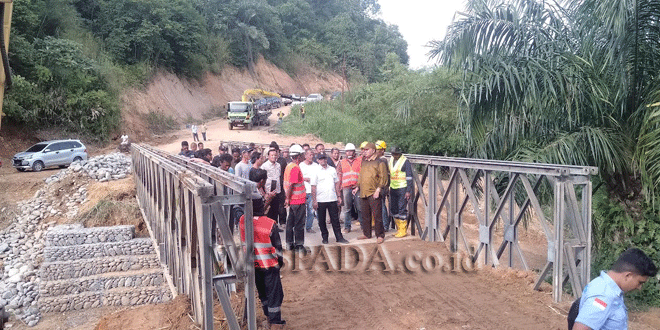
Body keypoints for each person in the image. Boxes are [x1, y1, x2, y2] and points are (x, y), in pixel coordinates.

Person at [569, 248, 657, 330]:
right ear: (628, 276)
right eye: (640, 282)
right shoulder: (603, 295)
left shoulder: (609, 288)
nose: (639, 287)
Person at [238, 198, 286, 329]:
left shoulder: (242, 221)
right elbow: (278, 247)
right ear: (262, 206)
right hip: (269, 265)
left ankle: (268, 317)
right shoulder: (269, 224)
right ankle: (275, 323)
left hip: (253, 265)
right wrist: (279, 264)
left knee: (263, 293)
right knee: (275, 294)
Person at [355, 142, 388, 244]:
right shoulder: (364, 162)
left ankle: (380, 235)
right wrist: (357, 186)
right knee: (365, 214)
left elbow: (384, 177)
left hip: (374, 192)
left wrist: (379, 189)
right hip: (363, 191)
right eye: (364, 150)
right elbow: (361, 175)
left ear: (373, 150)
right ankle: (367, 233)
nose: (364, 152)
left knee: (377, 215)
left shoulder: (379, 162)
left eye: (366, 150)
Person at [313, 153, 348, 244]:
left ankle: (339, 237)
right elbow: (313, 186)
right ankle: (325, 237)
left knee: (335, 219)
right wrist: (314, 200)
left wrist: (338, 196)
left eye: (324, 158)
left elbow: (336, 183)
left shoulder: (332, 170)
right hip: (320, 199)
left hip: (332, 198)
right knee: (321, 221)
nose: (323, 160)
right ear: (318, 160)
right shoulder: (315, 170)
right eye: (321, 159)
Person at [283, 144, 307, 254]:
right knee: (299, 224)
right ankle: (299, 246)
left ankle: (289, 244)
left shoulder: (289, 166)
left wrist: (287, 199)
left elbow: (287, 184)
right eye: (302, 154)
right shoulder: (295, 168)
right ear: (298, 156)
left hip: (293, 201)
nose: (303, 156)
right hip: (298, 201)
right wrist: (287, 199)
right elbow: (291, 185)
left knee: (290, 223)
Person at [388, 146, 414, 238]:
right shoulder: (391, 160)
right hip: (393, 187)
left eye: (396, 154)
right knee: (394, 209)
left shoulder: (405, 161)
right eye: (393, 154)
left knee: (401, 208)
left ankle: (403, 230)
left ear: (399, 153)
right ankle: (398, 229)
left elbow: (409, 176)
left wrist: (408, 191)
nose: (394, 155)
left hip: (402, 188)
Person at [336, 143, 362, 234]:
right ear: (345, 152)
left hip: (357, 187)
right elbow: (338, 177)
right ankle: (347, 227)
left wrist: (358, 186)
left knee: (360, 207)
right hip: (346, 188)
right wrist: (338, 190)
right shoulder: (341, 162)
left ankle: (363, 226)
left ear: (354, 152)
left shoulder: (359, 161)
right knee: (347, 208)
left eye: (351, 151)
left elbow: (362, 174)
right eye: (347, 151)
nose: (349, 152)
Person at [299, 149, 320, 234]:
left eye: (312, 155)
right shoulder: (301, 165)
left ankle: (309, 227)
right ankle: (299, 226)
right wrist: (304, 179)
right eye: (310, 155)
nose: (311, 156)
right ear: (305, 156)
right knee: (301, 211)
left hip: (312, 191)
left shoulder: (316, 166)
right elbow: (297, 177)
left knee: (311, 210)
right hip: (302, 191)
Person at [262, 148, 284, 227]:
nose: (274, 157)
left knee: (276, 210)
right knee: (268, 210)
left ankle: (275, 227)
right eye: (272, 155)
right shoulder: (264, 166)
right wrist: (265, 192)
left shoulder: (278, 165)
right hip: (268, 192)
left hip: (277, 190)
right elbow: (262, 180)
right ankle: (268, 228)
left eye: (275, 155)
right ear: (268, 156)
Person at [375, 140, 390, 232]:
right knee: (380, 205)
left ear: (383, 150)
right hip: (381, 186)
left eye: (378, 149)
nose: (376, 151)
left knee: (381, 205)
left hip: (382, 186)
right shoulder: (380, 160)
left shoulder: (383, 160)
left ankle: (385, 225)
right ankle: (383, 224)